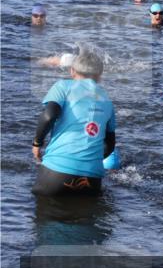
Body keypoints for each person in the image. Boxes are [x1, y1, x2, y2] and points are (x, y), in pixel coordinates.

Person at [31, 50, 116, 197]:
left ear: (72, 71)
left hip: (56, 174)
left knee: (42, 214)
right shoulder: (107, 100)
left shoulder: (63, 87)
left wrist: (37, 144)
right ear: (99, 76)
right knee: (84, 218)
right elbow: (110, 144)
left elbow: (49, 116)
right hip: (92, 180)